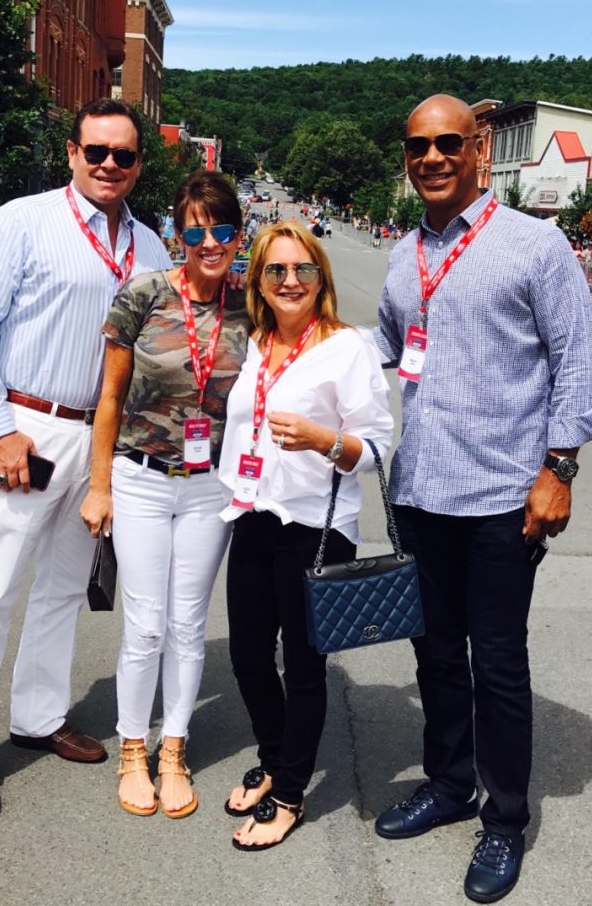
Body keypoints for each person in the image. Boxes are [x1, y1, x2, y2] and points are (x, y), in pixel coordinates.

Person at [372, 95, 592, 903]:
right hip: (423, 490)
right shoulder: (406, 254)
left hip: (506, 495)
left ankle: (504, 820)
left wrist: (559, 469)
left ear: (476, 149)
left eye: (445, 144)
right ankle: (449, 783)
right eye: (416, 146)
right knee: (433, 652)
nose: (430, 158)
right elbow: (386, 350)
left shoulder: (535, 246)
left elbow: (576, 361)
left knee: (497, 662)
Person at [0, 98, 173, 823]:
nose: (109, 165)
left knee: (64, 587)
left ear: (138, 164)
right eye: (96, 151)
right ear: (72, 153)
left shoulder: (151, 247)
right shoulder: (19, 222)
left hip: (100, 443)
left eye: (124, 155)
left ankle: (37, 717)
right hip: (27, 428)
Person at [79, 170, 249, 820]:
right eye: (195, 229)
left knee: (187, 626)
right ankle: (132, 750)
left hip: (213, 489)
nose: (209, 241)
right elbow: (111, 398)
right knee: (145, 626)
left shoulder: (249, 307)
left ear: (238, 233)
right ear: (179, 232)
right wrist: (99, 487)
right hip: (141, 479)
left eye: (222, 228)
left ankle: (172, 748)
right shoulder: (143, 294)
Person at [219, 221, 393, 851]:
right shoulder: (257, 342)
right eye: (276, 270)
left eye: (303, 270)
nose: (290, 281)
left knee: (304, 664)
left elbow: (377, 444)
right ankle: (273, 757)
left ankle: (291, 792)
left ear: (321, 278)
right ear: (258, 280)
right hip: (254, 513)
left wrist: (326, 441)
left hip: (316, 527)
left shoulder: (346, 348)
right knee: (246, 654)